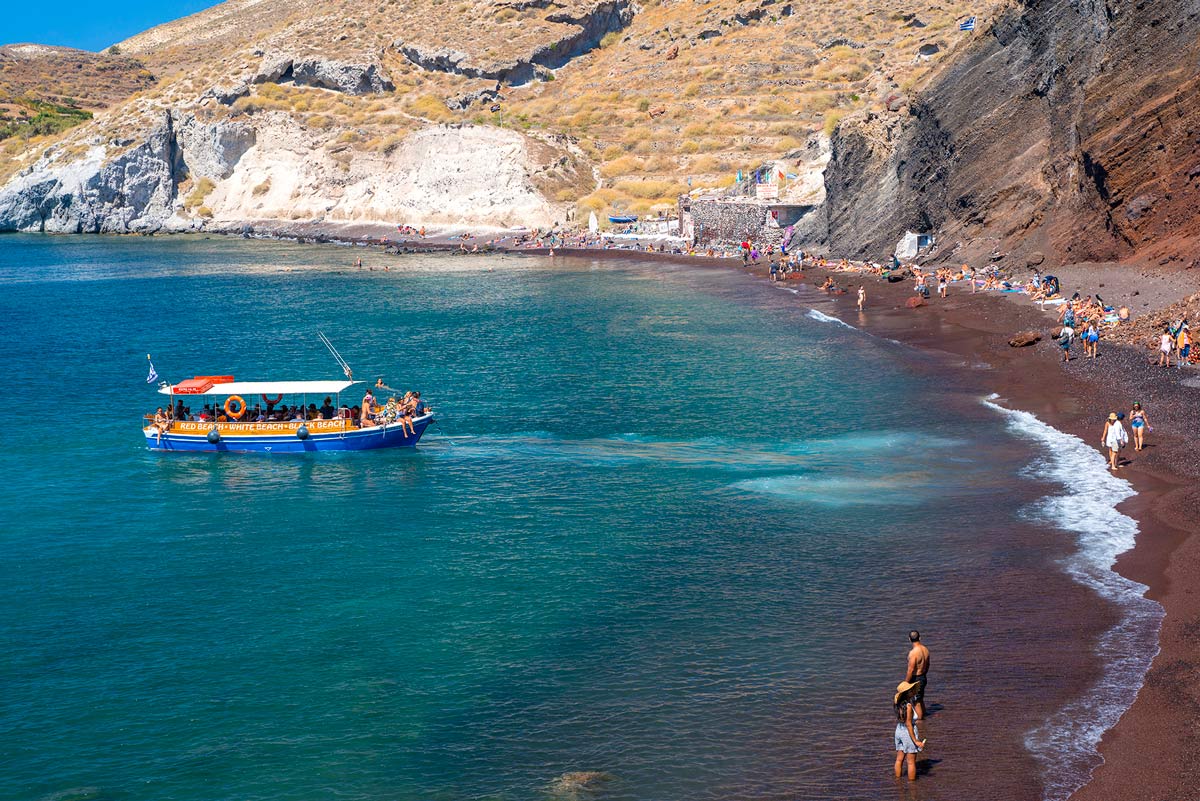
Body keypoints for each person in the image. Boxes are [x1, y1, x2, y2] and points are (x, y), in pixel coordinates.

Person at [893, 681, 927, 781]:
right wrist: (915, 740)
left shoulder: (898, 704)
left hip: (898, 730)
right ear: (907, 692)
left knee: (899, 759)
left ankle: (898, 782)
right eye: (911, 690)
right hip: (907, 733)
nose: (913, 691)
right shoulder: (908, 706)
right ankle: (912, 787)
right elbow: (908, 724)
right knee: (911, 762)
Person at [905, 631, 930, 720]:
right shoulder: (925, 650)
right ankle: (924, 715)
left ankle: (920, 721)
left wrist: (906, 683)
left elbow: (910, 670)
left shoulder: (913, 653)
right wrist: (923, 675)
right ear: (920, 638)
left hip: (916, 678)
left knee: (916, 701)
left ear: (909, 639)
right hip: (923, 676)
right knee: (920, 699)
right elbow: (927, 665)